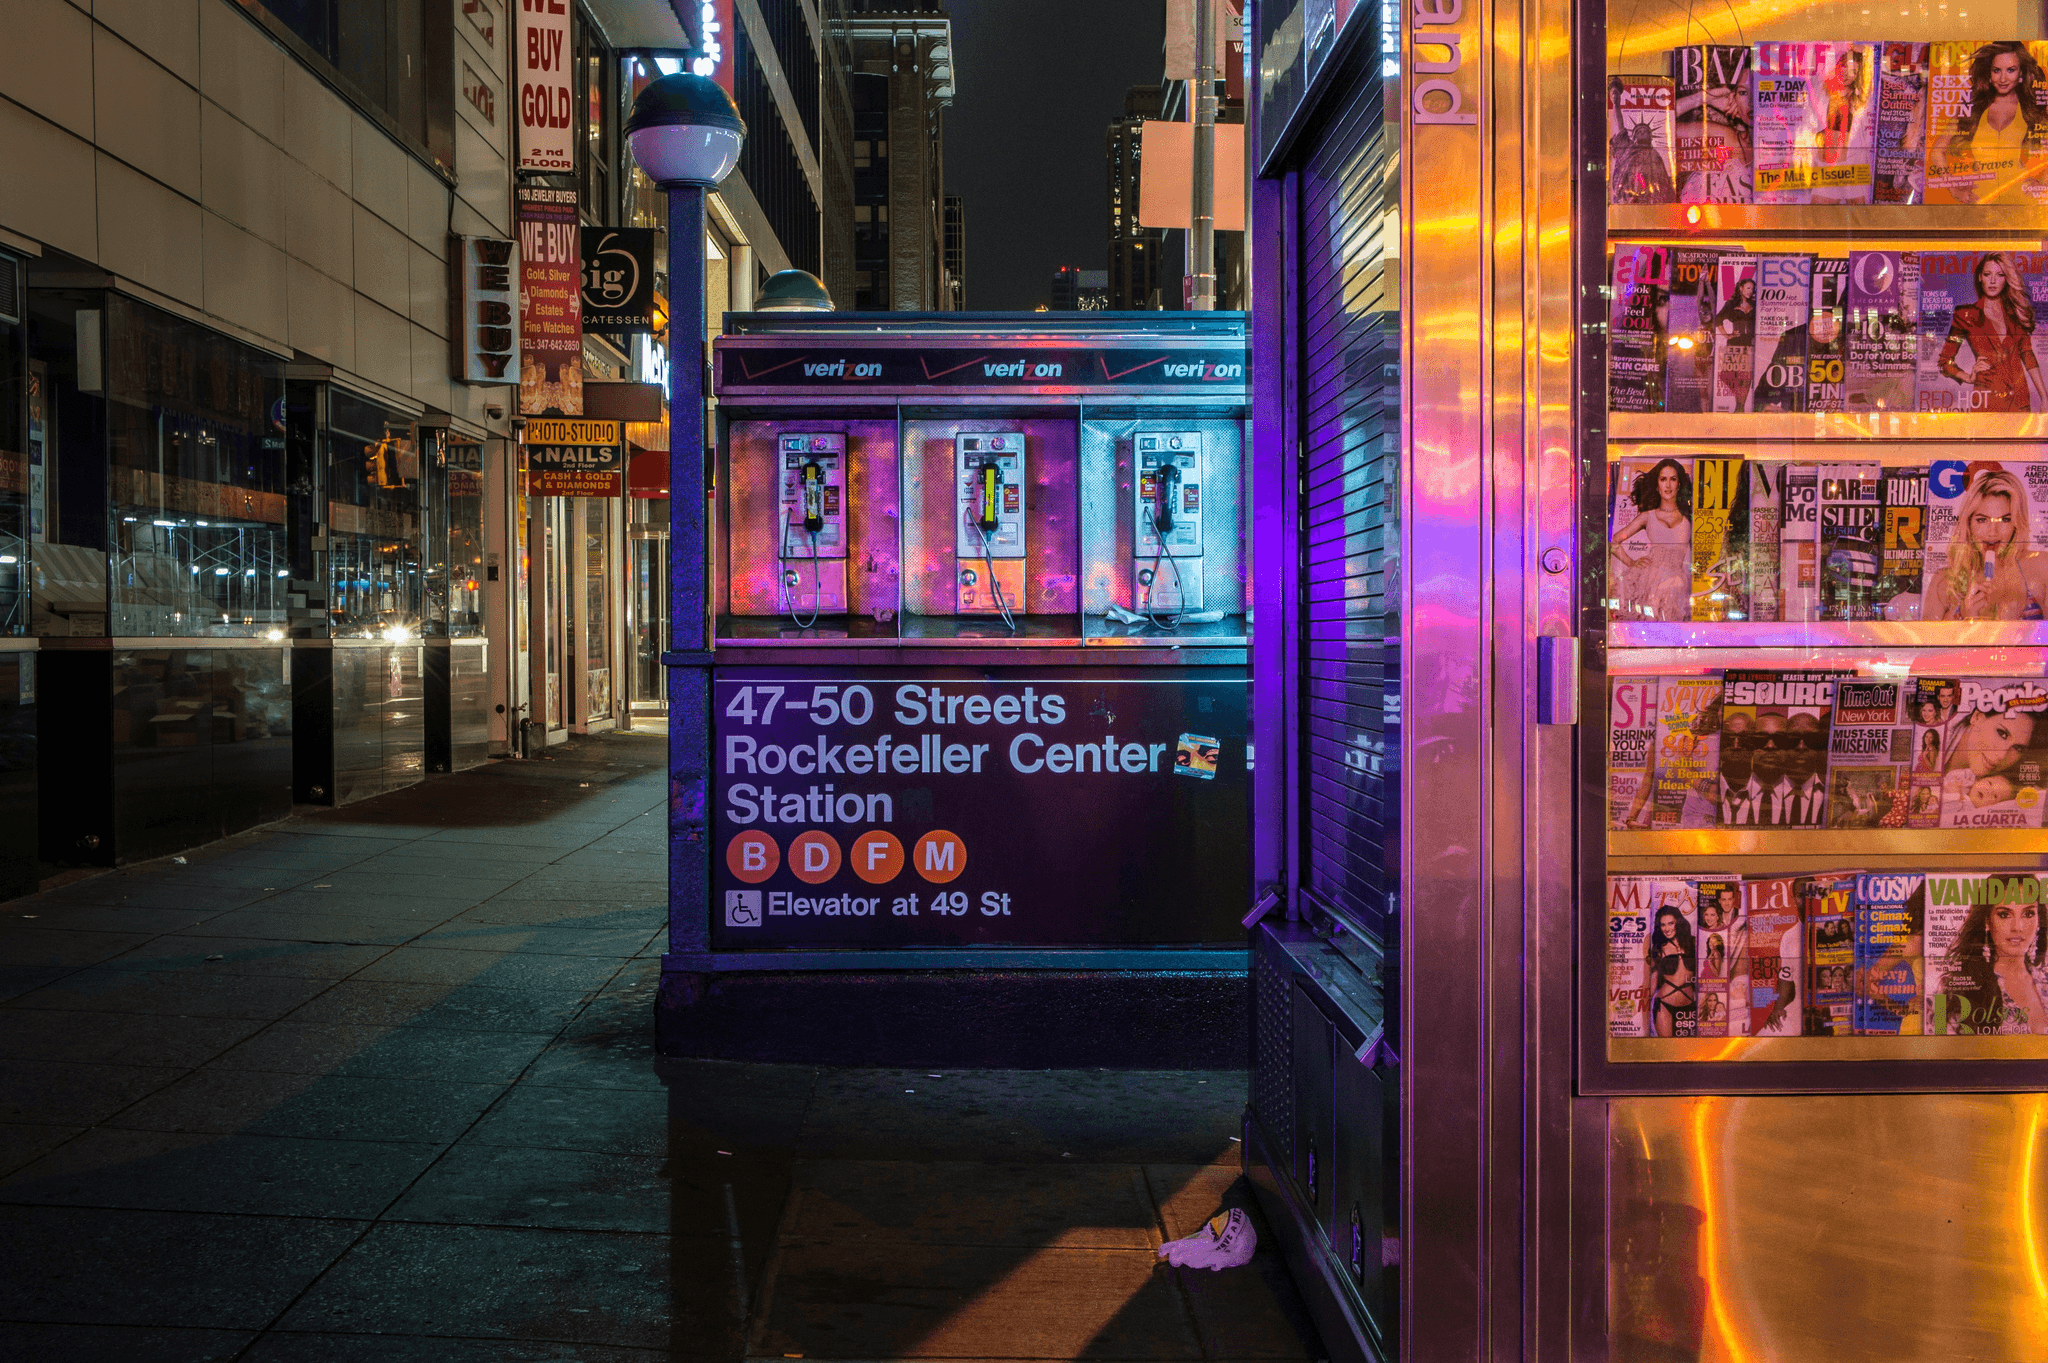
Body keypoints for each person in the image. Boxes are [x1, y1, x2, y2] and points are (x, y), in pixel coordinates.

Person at [1925, 466, 2048, 620]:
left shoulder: (2040, 566)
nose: (1993, 532)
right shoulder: (1944, 582)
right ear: (1968, 523)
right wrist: (1967, 618)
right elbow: (1928, 642)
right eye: (1982, 520)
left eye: (2005, 519)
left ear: (2016, 522)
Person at [1937, 42, 2048, 205]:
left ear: (2021, 72)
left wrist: (2043, 185)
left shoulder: (2030, 107)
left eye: (2011, 70)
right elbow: (1937, 152)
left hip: (2021, 200)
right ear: (1988, 72)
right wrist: (1955, 191)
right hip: (1980, 200)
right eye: (1997, 70)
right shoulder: (1973, 107)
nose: (2003, 79)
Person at [1934, 255, 2048, 412]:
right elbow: (1945, 361)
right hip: (1986, 401)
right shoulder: (1966, 315)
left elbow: (2028, 356)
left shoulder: (2016, 313)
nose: (1993, 281)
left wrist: (2045, 398)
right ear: (1980, 277)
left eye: (2000, 275)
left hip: (2019, 400)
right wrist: (1968, 376)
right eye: (1988, 275)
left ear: (2006, 279)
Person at [1936, 890, 2048, 1033]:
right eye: (2004, 914)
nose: (2017, 927)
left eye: (2028, 914)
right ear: (1987, 921)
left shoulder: (2044, 980)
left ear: (2039, 919)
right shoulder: (1949, 989)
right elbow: (1938, 1045)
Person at [1609, 459, 1693, 621]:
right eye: (1663, 479)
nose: (1668, 485)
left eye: (1673, 479)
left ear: (1679, 484)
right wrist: (1631, 562)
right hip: (1648, 582)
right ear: (1657, 485)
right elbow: (1614, 542)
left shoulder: (1689, 517)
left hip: (1676, 584)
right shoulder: (1648, 516)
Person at [1643, 903, 1697, 1038]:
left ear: (1678, 923)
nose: (1667, 929)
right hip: (1664, 1005)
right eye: (1663, 925)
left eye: (1670, 923)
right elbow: (1652, 982)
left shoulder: (1693, 943)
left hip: (1690, 1005)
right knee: (1667, 1050)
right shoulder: (1659, 948)